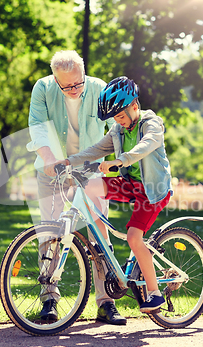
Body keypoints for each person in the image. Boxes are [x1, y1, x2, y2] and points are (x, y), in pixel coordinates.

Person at [26, 50, 126, 325]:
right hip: (53, 169)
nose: (74, 90)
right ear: (56, 79)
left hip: (90, 168)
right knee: (50, 233)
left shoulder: (99, 89)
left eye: (78, 83)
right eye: (67, 85)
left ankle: (106, 303)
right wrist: (49, 159)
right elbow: (37, 125)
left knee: (99, 232)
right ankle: (49, 298)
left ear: (84, 74)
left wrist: (117, 161)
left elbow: (116, 128)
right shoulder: (43, 88)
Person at [59, 76, 173, 313]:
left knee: (134, 238)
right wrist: (69, 161)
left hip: (152, 192)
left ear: (134, 106)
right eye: (115, 118)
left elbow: (148, 144)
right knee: (89, 187)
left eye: (120, 116)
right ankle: (102, 244)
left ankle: (154, 294)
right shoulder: (118, 130)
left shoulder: (151, 123)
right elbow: (97, 149)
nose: (118, 122)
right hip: (130, 184)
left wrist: (121, 160)